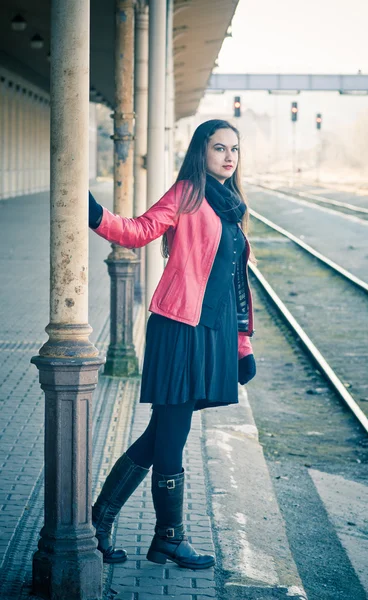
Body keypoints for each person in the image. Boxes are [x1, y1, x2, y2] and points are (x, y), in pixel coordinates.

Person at [88, 119, 257, 570]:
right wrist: (95, 214)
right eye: (219, 147)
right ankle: (168, 538)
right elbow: (140, 230)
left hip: (214, 335)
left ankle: (100, 525)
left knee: (163, 432)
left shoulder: (233, 208)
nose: (228, 156)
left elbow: (238, 284)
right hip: (180, 329)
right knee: (172, 434)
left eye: (234, 149)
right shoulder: (187, 194)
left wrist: (242, 345)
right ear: (201, 151)